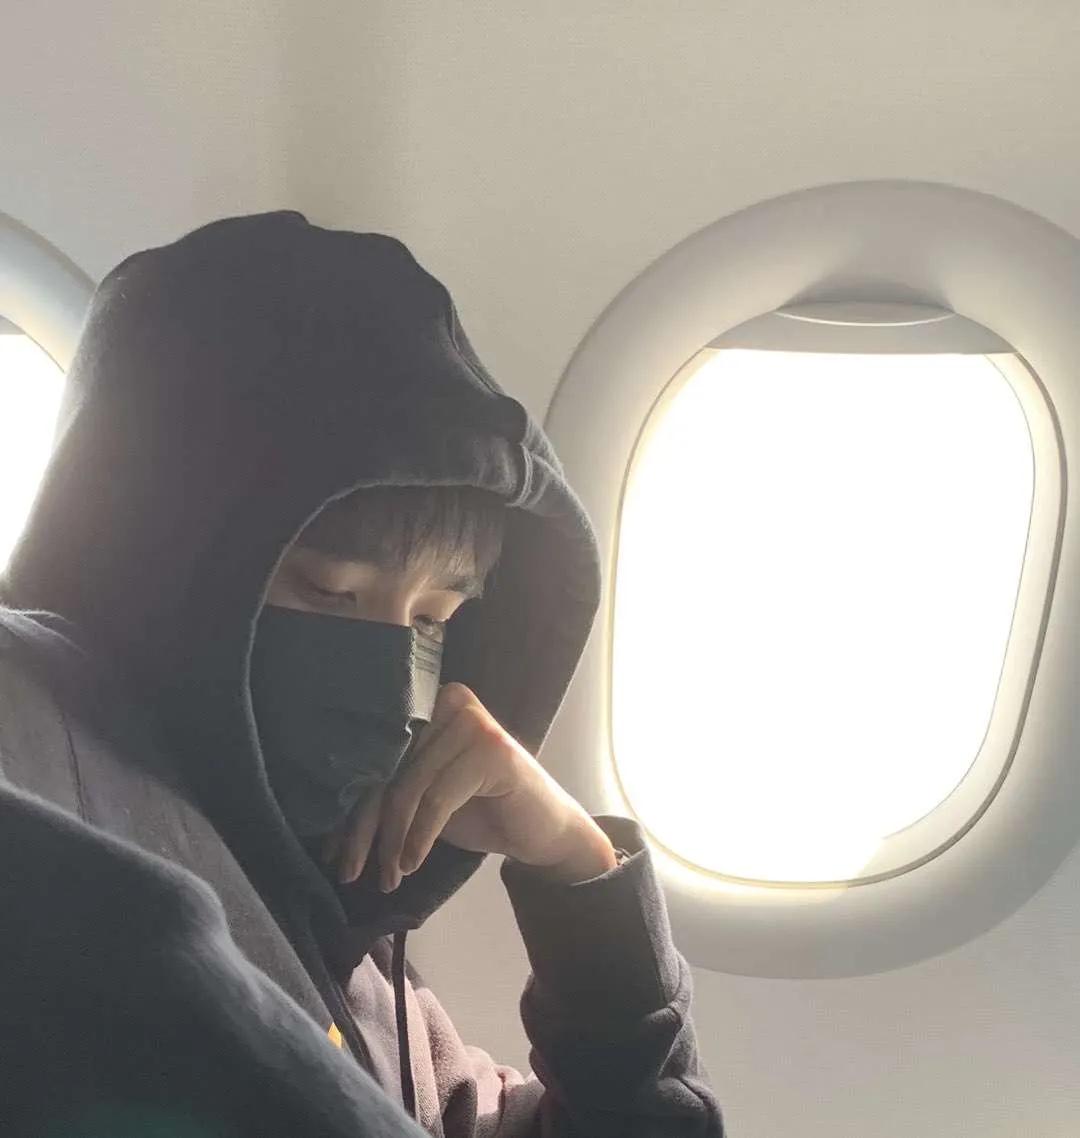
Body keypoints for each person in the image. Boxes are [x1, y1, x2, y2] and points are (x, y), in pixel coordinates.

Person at [0, 211, 723, 1135]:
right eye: (327, 590)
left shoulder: (357, 963)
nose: (389, 695)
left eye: (433, 619)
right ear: (158, 564)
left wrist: (575, 866)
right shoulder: (41, 733)